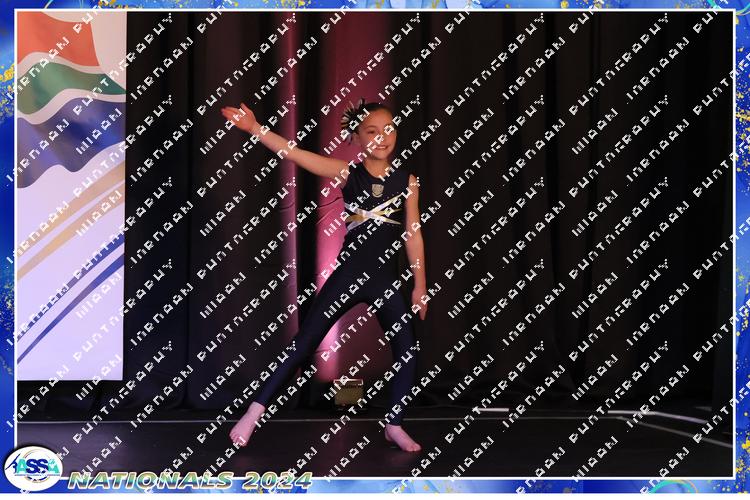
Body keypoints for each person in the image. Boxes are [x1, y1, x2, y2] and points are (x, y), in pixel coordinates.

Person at [219, 97, 427, 453]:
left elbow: (413, 233)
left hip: (386, 281)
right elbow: (295, 154)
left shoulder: (408, 182)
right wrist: (255, 128)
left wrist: (420, 285)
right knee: (303, 345)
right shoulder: (347, 173)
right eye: (371, 131)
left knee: (407, 349)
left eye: (388, 129)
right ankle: (253, 413)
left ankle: (394, 424)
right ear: (356, 138)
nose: (382, 137)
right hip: (348, 276)